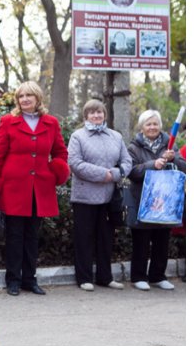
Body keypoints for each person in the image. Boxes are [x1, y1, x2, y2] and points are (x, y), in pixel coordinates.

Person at [0, 80, 69, 296]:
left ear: (37, 98)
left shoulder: (51, 123)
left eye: (29, 96)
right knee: (14, 235)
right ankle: (13, 280)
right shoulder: (8, 121)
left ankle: (29, 279)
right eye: (21, 96)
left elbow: (61, 152)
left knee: (33, 236)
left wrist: (57, 169)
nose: (24, 99)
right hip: (14, 186)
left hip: (40, 188)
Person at [67, 100, 132, 291]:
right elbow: (75, 164)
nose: (96, 115)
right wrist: (104, 174)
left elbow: (127, 161)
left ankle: (105, 277)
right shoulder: (78, 136)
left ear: (104, 114)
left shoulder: (116, 136)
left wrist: (116, 173)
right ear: (86, 116)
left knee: (106, 239)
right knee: (84, 239)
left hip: (109, 198)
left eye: (100, 112)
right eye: (92, 112)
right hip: (84, 197)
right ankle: (84, 278)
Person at [127, 110, 185, 291]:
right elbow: (132, 172)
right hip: (142, 199)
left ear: (160, 126)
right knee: (141, 239)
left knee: (162, 239)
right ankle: (138, 276)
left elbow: (184, 167)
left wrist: (173, 157)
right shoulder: (133, 148)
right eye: (148, 124)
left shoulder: (170, 146)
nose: (152, 127)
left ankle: (158, 276)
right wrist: (153, 164)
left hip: (165, 200)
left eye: (155, 124)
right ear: (142, 127)